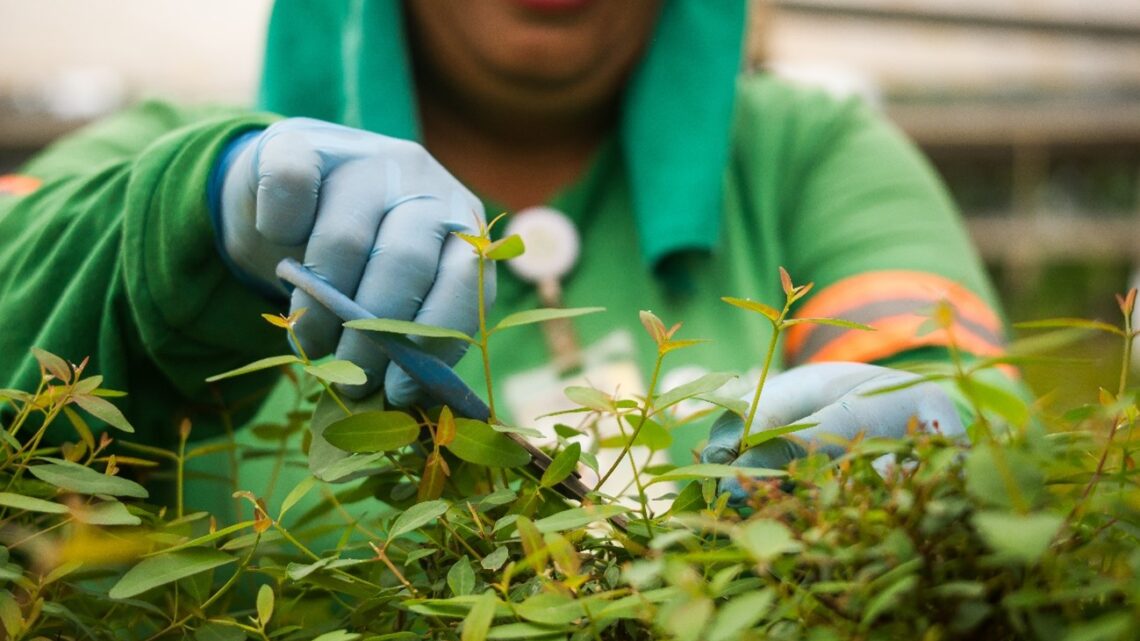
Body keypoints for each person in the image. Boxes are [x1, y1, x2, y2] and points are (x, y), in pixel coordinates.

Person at [0, 0, 1009, 508]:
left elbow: (981, 441)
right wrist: (196, 214)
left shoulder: (808, 152)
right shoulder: (171, 156)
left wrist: (924, 453)